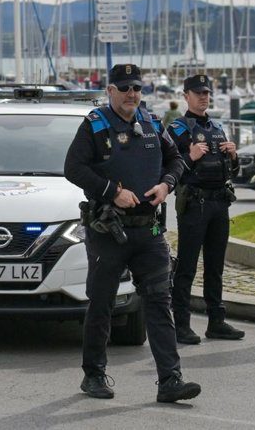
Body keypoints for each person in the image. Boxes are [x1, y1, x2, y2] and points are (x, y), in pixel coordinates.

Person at [64, 63, 201, 403]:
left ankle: (170, 380)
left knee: (159, 301)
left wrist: (166, 185)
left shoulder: (152, 123)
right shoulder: (95, 125)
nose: (131, 94)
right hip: (108, 229)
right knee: (102, 302)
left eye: (136, 88)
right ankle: (94, 374)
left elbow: (177, 161)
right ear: (110, 90)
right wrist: (112, 191)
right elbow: (73, 168)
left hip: (147, 230)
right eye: (124, 88)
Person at [167, 74, 245, 344]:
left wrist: (233, 155)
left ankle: (217, 321)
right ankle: (181, 324)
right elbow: (169, 168)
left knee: (215, 266)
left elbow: (232, 170)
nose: (204, 97)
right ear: (186, 95)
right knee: (187, 265)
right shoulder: (177, 129)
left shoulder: (217, 127)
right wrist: (191, 157)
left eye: (207, 93)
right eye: (198, 93)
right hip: (194, 204)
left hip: (219, 202)